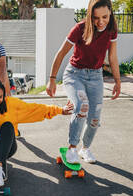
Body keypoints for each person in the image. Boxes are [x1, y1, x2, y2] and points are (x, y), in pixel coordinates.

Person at [46, 0, 121, 164]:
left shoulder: (111, 30)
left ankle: (85, 148)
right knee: (81, 106)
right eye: (96, 18)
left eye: (105, 17)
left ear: (110, 13)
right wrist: (52, 79)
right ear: (90, 15)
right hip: (75, 74)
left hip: (95, 76)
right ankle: (72, 149)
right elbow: (61, 53)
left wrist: (117, 81)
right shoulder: (80, 29)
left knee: (95, 118)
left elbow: (113, 57)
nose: (100, 22)